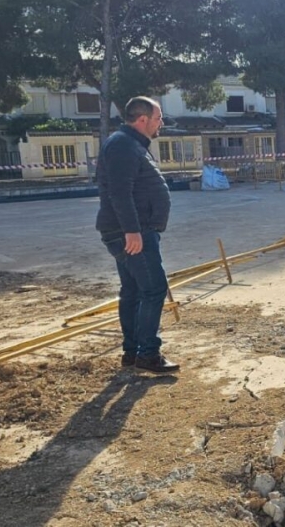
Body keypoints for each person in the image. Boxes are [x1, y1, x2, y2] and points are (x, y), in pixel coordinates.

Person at [96, 96, 179, 373]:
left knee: (132, 290)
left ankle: (132, 352)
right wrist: (132, 230)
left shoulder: (131, 144)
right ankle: (148, 353)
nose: (161, 124)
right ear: (142, 120)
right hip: (132, 233)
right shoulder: (123, 145)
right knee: (154, 289)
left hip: (135, 231)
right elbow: (119, 192)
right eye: (158, 118)